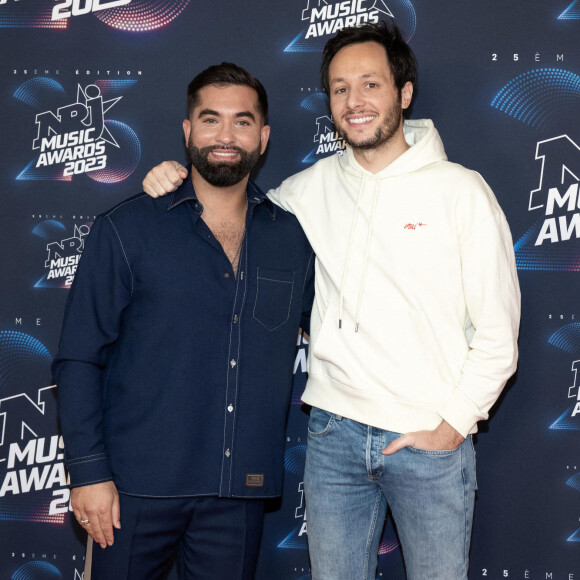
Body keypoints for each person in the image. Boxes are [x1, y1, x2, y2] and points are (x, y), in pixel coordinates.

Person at [141, 22, 521, 580]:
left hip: (429, 446)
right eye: (340, 88)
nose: (354, 101)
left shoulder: (461, 191)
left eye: (370, 84)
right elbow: (229, 207)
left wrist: (450, 428)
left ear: (404, 93)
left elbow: (497, 333)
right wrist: (173, 177)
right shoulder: (303, 192)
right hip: (333, 441)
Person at [53, 62, 314, 580]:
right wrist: (88, 474)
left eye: (242, 122)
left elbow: (341, 330)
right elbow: (80, 358)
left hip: (237, 492)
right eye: (210, 119)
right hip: (132, 490)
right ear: (187, 130)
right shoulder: (126, 229)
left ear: (262, 138)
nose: (225, 135)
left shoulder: (290, 238)